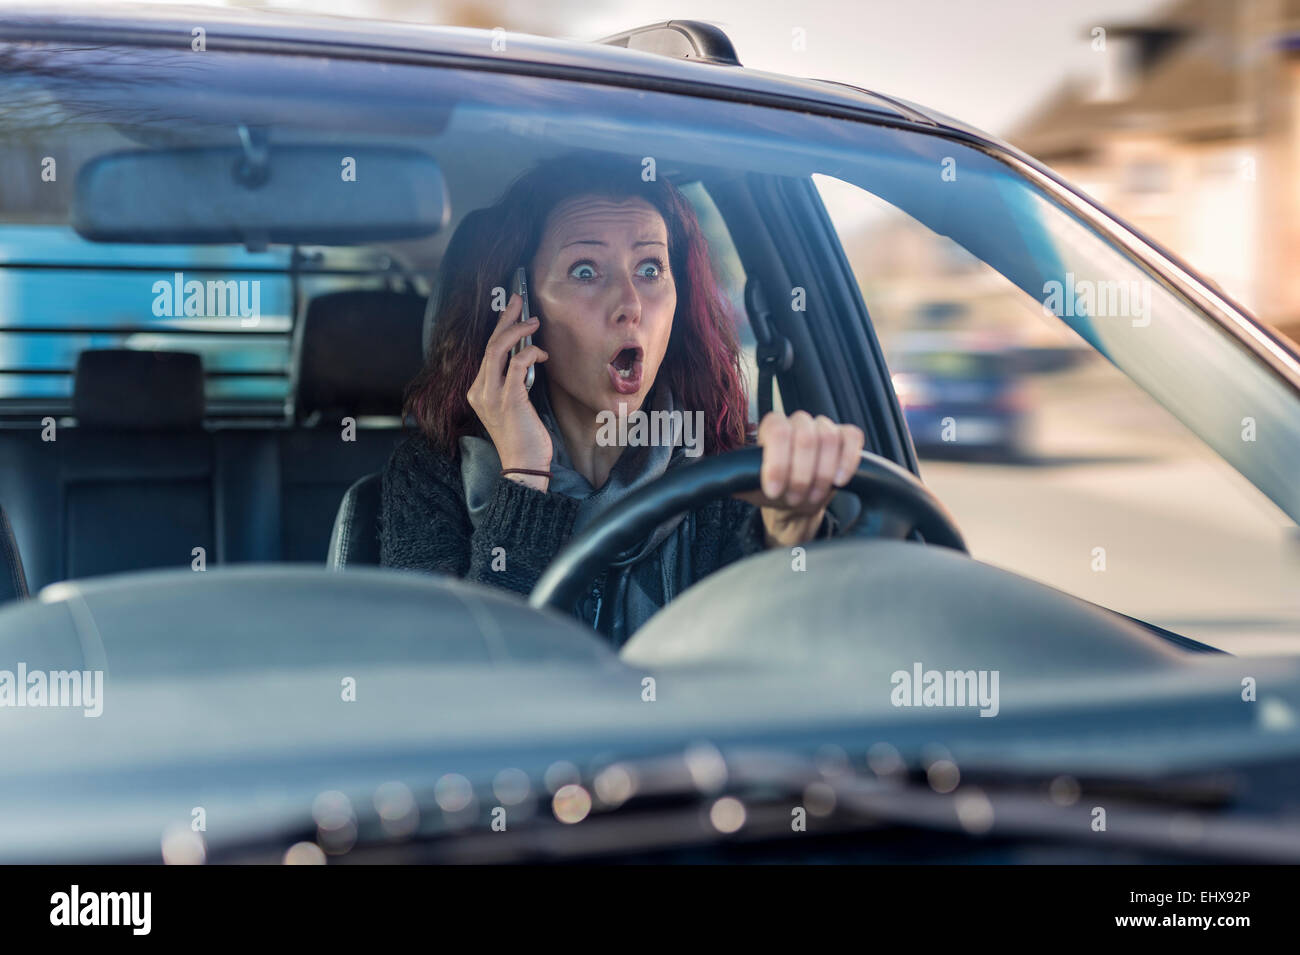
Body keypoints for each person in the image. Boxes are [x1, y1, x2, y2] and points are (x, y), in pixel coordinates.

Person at [381, 153, 864, 646]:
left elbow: (779, 671)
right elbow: (453, 681)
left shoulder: (729, 467)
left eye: (650, 268)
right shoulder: (431, 476)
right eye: (586, 271)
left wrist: (788, 532)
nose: (630, 305)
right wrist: (524, 476)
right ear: (519, 304)